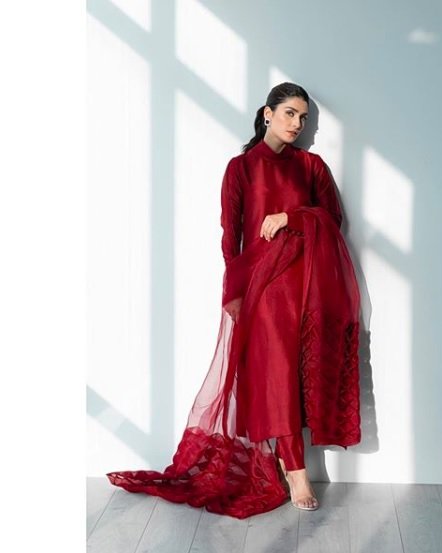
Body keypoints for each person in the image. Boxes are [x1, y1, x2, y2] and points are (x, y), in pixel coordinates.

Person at [106, 82, 361, 519]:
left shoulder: (311, 166)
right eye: (289, 113)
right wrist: (234, 294)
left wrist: (290, 216)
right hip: (264, 290)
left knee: (304, 374)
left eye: (303, 117)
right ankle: (296, 470)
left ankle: (288, 460)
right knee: (276, 375)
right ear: (267, 113)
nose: (298, 124)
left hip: (309, 285)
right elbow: (231, 237)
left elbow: (332, 219)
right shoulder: (241, 168)